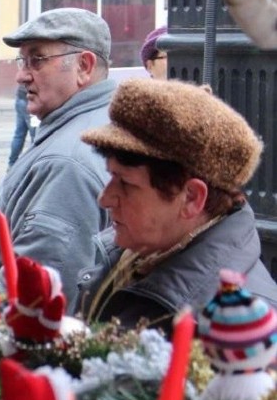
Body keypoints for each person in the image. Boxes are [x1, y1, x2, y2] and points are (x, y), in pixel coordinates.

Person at [76, 78, 277, 333]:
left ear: (191, 198)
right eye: (111, 176)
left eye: (125, 183)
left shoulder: (246, 329)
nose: (104, 199)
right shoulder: (135, 254)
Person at [0, 8, 115, 309]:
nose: (21, 75)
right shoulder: (87, 125)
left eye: (37, 60)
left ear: (84, 66)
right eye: (22, 60)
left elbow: (31, 300)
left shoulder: (67, 163)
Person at [7, 84, 36, 168]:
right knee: (35, 136)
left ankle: (12, 164)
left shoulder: (25, 72)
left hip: (20, 98)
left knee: (19, 134)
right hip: (30, 100)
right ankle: (32, 164)